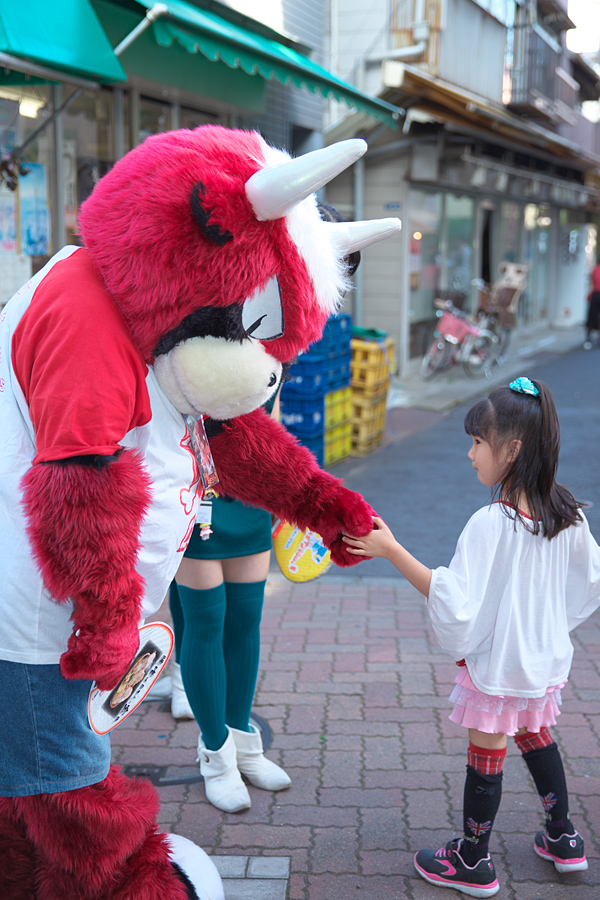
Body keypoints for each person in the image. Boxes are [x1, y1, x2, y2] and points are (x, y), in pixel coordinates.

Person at [343, 376, 600, 898]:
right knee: (536, 734)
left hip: (499, 665)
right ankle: (564, 837)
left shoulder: (490, 523)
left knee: (488, 752)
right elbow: (586, 586)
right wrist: (543, 627)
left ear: (512, 449)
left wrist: (391, 550)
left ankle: (473, 858)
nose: (469, 454)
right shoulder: (567, 513)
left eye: (478, 441)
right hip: (540, 661)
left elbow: (453, 600)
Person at [584, 259, 600, 349]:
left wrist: (589, 296)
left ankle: (588, 338)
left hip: (595, 295)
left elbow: (592, 284)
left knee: (591, 316)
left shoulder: (594, 270)